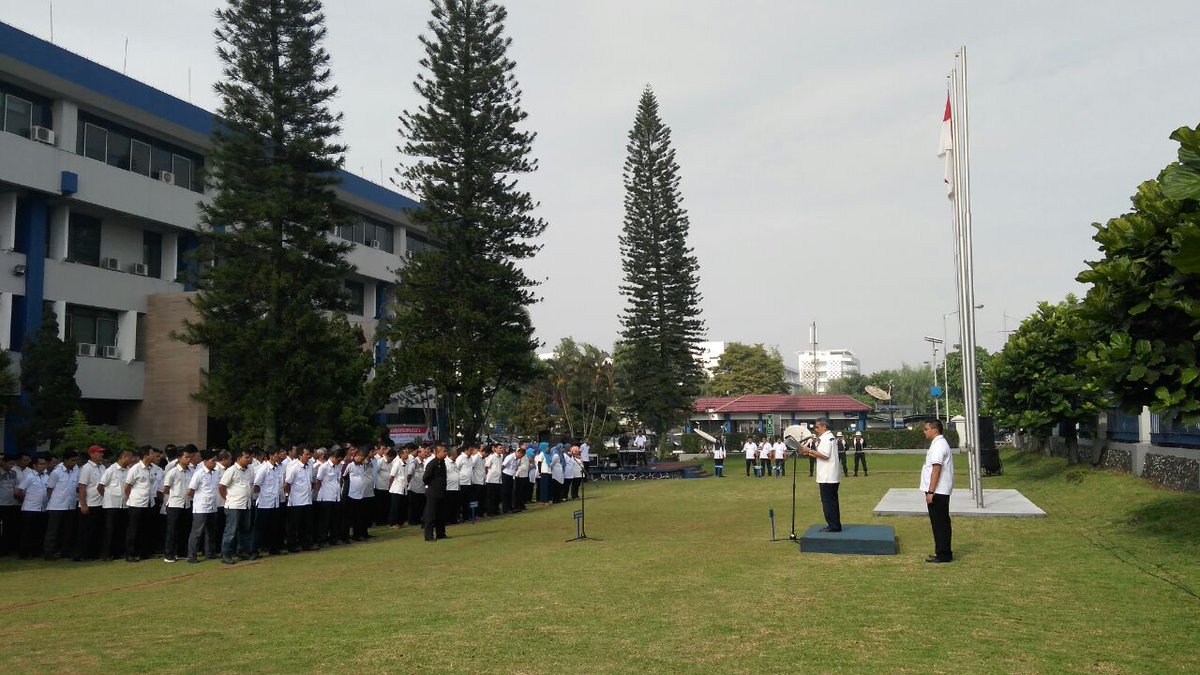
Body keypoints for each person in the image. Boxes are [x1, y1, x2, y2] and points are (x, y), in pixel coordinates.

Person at [921, 420, 954, 563]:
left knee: (940, 523)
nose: (924, 431)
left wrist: (930, 491)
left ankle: (943, 554)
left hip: (938, 491)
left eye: (926, 429)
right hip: (938, 491)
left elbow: (936, 469)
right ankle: (941, 551)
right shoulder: (938, 444)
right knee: (939, 523)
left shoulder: (938, 446)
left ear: (934, 430)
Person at [800, 418, 841, 532]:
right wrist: (808, 452)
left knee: (828, 502)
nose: (816, 430)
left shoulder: (827, 438)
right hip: (828, 475)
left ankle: (833, 525)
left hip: (828, 476)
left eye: (817, 427)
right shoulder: (828, 437)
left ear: (824, 427)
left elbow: (825, 455)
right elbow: (821, 455)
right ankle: (833, 524)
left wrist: (809, 450)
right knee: (830, 501)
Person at [218, 449, 255, 563]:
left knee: (245, 529)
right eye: (247, 457)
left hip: (246, 504)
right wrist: (228, 499)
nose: (249, 459)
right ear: (239, 458)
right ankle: (226, 553)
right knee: (231, 530)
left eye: (249, 457)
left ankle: (243, 551)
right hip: (234, 505)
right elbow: (222, 487)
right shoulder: (231, 470)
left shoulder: (249, 470)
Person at [43, 452, 80, 560]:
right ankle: (49, 553)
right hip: (56, 506)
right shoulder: (57, 472)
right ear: (65, 460)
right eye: (72, 460)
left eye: (76, 460)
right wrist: (53, 501)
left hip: (70, 505)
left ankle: (65, 551)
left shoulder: (76, 472)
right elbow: (49, 489)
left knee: (67, 530)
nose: (74, 463)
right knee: (52, 531)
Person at [123, 447, 158, 562]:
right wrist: (131, 498)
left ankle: (144, 552)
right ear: (146, 455)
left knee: (145, 529)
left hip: (149, 502)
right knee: (133, 529)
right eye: (152, 453)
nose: (154, 455)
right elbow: (127, 486)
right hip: (136, 503)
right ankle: (130, 553)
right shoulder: (135, 469)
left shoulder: (151, 469)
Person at [186, 449, 221, 563]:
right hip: (201, 506)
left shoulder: (216, 472)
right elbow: (191, 490)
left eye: (215, 460)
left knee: (211, 531)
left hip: (212, 505)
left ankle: (209, 553)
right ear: (206, 461)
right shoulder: (199, 473)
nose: (214, 463)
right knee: (197, 532)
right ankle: (192, 555)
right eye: (212, 460)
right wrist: (197, 500)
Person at [74, 445, 108, 561]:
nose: (101, 454)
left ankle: (93, 553)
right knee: (85, 531)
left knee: (96, 530)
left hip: (100, 503)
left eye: (102, 452)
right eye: (99, 452)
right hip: (89, 503)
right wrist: (83, 504)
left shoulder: (102, 467)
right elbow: (82, 487)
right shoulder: (87, 468)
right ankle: (81, 554)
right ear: (92, 454)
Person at [160, 447, 193, 563]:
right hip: (174, 504)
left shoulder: (191, 471)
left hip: (186, 503)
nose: (189, 459)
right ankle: (169, 554)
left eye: (190, 457)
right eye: (186, 457)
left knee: (184, 529)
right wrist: (176, 495)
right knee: (172, 530)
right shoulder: (172, 472)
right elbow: (165, 488)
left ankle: (182, 552)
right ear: (179, 458)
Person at [97, 451, 131, 561]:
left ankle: (118, 552)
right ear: (124, 457)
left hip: (123, 504)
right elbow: (100, 487)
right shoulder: (110, 470)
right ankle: (106, 553)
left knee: (121, 529)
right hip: (111, 505)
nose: (131, 461)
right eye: (129, 458)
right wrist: (107, 497)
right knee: (109, 530)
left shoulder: (129, 471)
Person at [15, 456, 49, 559]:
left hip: (42, 509)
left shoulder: (46, 476)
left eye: (44, 464)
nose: (44, 466)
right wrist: (27, 500)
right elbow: (18, 491)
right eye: (41, 464)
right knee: (27, 532)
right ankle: (24, 553)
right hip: (30, 509)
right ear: (35, 465)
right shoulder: (29, 476)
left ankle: (36, 552)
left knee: (39, 532)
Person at [284, 447, 315, 553]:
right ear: (300, 455)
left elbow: (311, 481)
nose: (309, 456)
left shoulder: (310, 465)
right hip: (296, 500)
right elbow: (287, 483)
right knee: (294, 525)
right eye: (306, 454)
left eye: (309, 454)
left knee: (307, 524)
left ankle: (306, 543)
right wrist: (289, 495)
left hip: (307, 499)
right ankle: (292, 545)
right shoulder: (293, 467)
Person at [422, 444, 448, 541]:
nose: (446, 453)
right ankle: (428, 536)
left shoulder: (443, 462)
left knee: (440, 514)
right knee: (431, 515)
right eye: (444, 451)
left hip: (441, 492)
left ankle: (441, 533)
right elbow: (425, 478)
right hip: (433, 493)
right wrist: (433, 486)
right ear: (438, 452)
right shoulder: (432, 463)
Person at [0, 457, 20, 556]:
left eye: (13, 464)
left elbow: (16, 486)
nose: (11, 466)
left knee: (9, 527)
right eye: (9, 463)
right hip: (1, 504)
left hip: (11, 503)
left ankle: (7, 548)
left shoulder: (13, 473)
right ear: (3, 462)